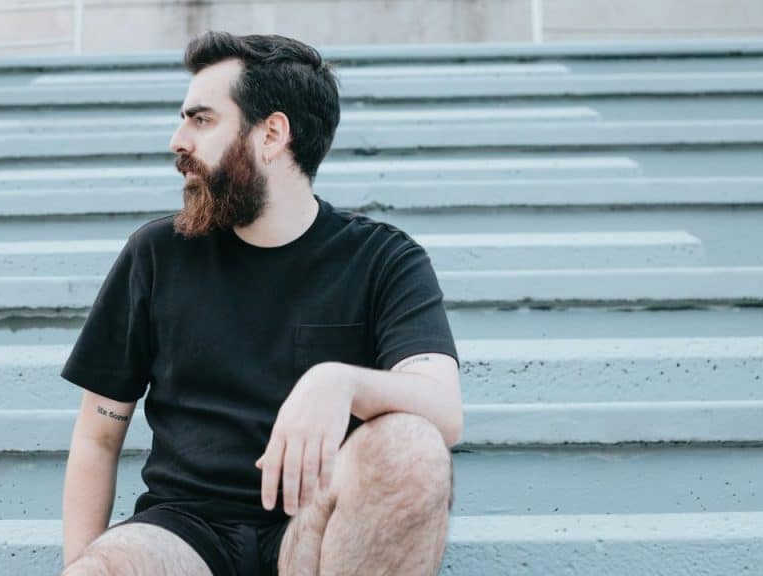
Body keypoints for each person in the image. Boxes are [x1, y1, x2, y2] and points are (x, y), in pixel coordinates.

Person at [59, 31, 462, 576]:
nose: (178, 140)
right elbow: (97, 438)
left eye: (201, 120)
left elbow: (444, 410)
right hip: (183, 533)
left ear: (271, 134)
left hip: (314, 532)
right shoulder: (156, 254)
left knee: (413, 445)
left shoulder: (383, 259)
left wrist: (339, 381)